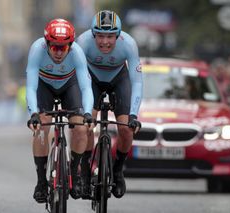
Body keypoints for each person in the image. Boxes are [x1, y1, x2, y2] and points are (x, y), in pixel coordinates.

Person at [25, 18, 95, 203]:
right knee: (41, 128)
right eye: (54, 47)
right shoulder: (36, 50)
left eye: (63, 48)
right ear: (47, 43)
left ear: (70, 46)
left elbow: (86, 87)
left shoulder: (77, 53)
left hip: (69, 85)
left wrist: (87, 113)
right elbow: (31, 87)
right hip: (44, 85)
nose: (58, 52)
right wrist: (33, 114)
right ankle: (41, 182)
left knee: (81, 129)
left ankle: (74, 172)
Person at [76, 10, 143, 199]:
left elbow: (136, 81)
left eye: (110, 36)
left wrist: (133, 115)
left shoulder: (129, 44)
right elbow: (78, 78)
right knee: (87, 124)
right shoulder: (83, 42)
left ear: (118, 35)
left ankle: (118, 170)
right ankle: (86, 171)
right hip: (92, 80)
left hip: (118, 79)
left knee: (126, 129)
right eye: (100, 36)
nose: (105, 42)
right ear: (93, 34)